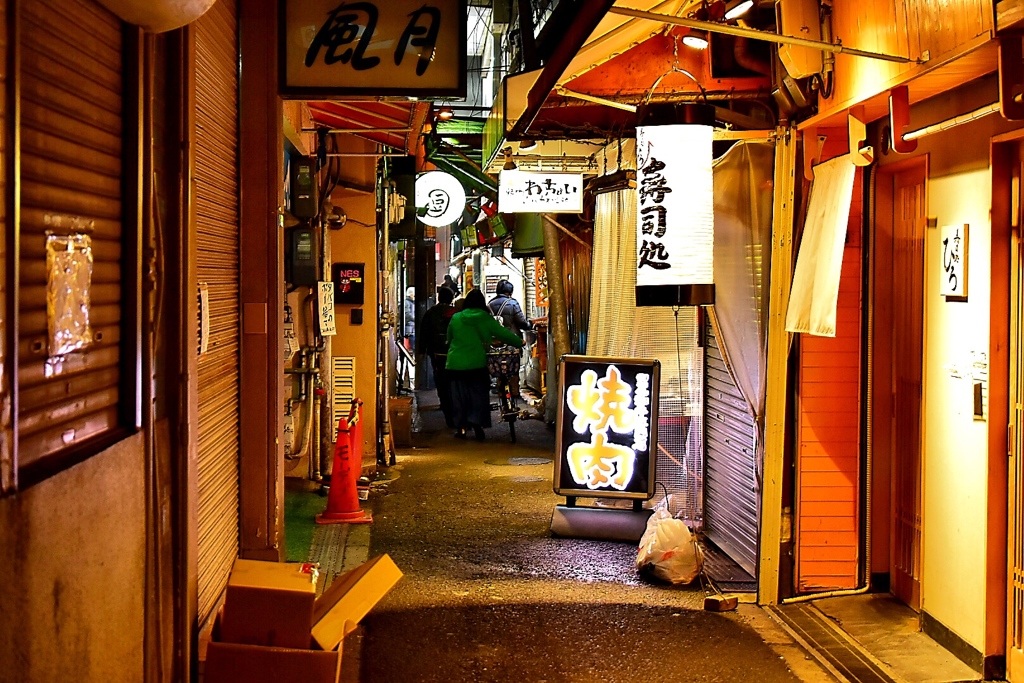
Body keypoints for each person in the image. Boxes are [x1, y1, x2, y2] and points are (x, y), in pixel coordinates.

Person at [446, 288, 524, 440]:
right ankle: (476, 424)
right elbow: (503, 334)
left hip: (455, 364)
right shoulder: (486, 318)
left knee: (458, 397)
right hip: (477, 364)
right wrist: (519, 342)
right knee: (478, 395)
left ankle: (461, 428)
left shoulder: (456, 318)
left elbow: (449, 339)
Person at [418, 285, 456, 427]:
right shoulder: (455, 313)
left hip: (436, 352)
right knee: (453, 378)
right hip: (454, 352)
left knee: (440, 378)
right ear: (452, 298)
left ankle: (444, 402)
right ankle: (453, 403)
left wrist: (422, 351)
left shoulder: (431, 313)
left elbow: (424, 333)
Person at [487, 279, 533, 397]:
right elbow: (522, 322)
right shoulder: (512, 304)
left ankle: (501, 391)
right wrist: (529, 325)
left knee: (498, 367)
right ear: (510, 292)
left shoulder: (489, 305)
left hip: (495, 343)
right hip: (512, 342)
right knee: (513, 368)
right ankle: (514, 391)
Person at [403, 286, 416, 350]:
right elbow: (407, 314)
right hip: (409, 328)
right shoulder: (407, 303)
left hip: (412, 327)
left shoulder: (411, 302)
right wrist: (414, 319)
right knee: (412, 346)